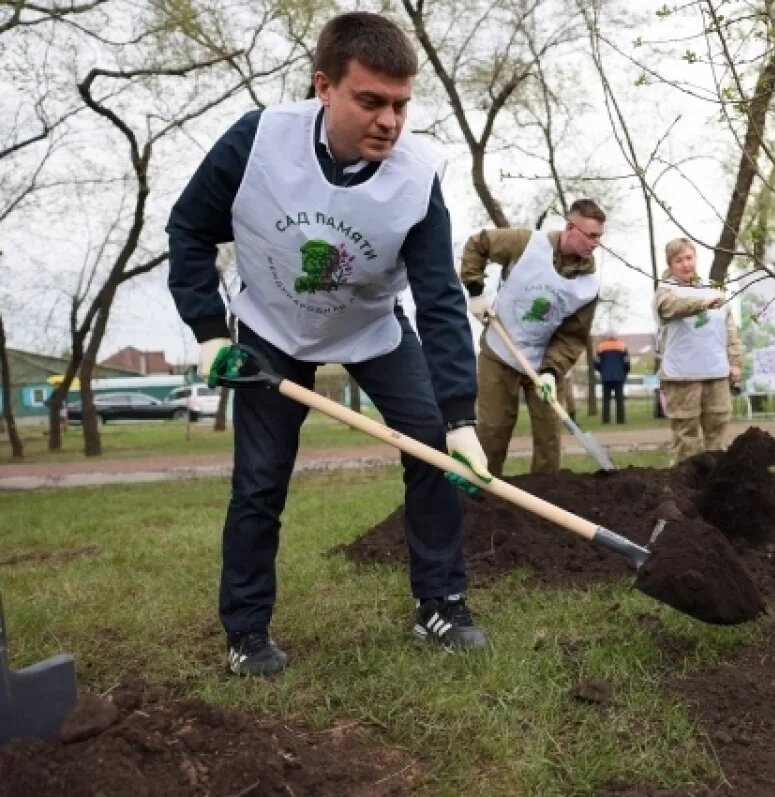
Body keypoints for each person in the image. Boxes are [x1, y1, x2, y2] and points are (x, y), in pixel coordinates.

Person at [166, 12, 491, 675]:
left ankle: (441, 602)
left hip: (371, 325)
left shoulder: (419, 175)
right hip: (272, 328)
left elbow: (438, 297)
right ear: (324, 86)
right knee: (259, 480)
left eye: (400, 104)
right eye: (370, 100)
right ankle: (247, 632)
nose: (389, 122)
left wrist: (459, 416)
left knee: (431, 444)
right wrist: (206, 330)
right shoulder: (258, 142)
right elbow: (189, 228)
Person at [459, 200, 604, 476]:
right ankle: (481, 494)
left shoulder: (587, 286)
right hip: (500, 350)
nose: (596, 243)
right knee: (493, 430)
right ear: (570, 228)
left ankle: (545, 498)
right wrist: (475, 289)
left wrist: (551, 371)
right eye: (591, 235)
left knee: (549, 436)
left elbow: (572, 337)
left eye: (600, 237)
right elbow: (479, 243)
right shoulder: (526, 244)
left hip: (542, 362)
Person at [655, 238, 743, 465]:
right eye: (679, 260)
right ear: (670, 264)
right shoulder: (665, 292)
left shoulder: (712, 290)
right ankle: (683, 485)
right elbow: (670, 309)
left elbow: (729, 330)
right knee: (687, 438)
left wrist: (735, 362)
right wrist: (701, 304)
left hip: (716, 373)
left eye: (689, 258)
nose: (685, 264)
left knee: (718, 431)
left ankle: (714, 482)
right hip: (682, 376)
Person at [594, 332, 630, 424]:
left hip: (606, 376)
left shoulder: (601, 346)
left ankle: (606, 420)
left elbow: (596, 363)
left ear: (607, 337)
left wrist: (601, 371)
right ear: (616, 336)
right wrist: (625, 372)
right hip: (619, 376)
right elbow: (626, 362)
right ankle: (620, 420)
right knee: (620, 399)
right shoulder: (622, 346)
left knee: (606, 399)